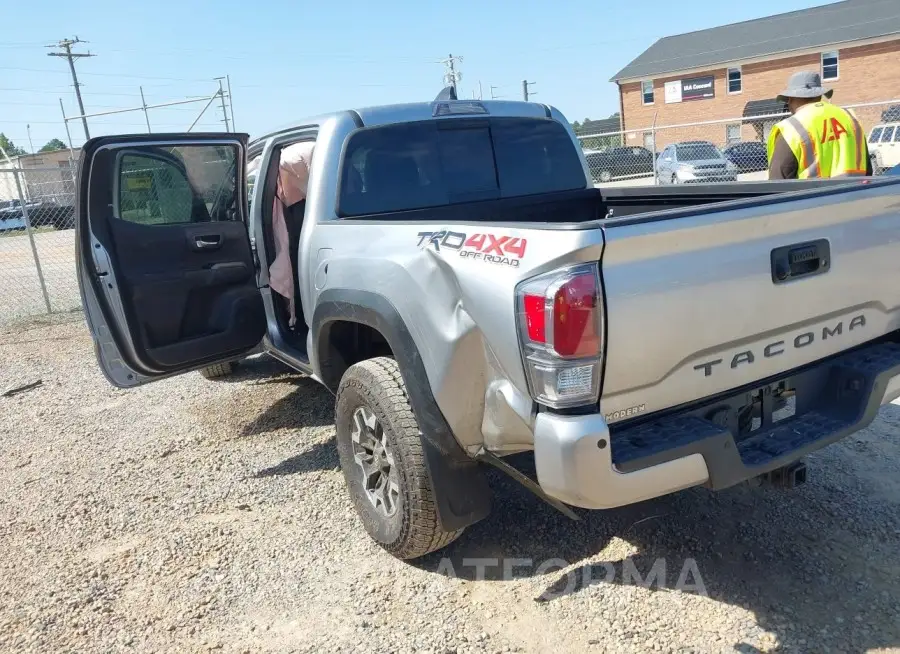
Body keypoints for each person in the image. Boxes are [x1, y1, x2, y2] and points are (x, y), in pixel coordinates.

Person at [767, 71, 871, 180]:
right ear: (819, 95)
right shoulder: (849, 117)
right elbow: (867, 167)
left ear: (790, 99)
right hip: (855, 194)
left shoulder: (791, 128)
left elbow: (778, 181)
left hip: (813, 196)